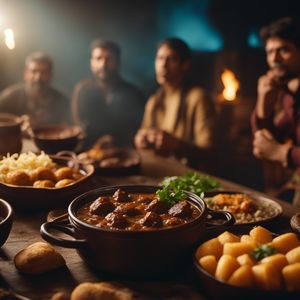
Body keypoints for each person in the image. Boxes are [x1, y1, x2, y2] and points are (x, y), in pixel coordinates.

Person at [134, 37, 216, 169]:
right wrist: (141, 140)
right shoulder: (154, 101)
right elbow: (144, 134)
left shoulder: (198, 98)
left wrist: (177, 145)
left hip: (189, 175)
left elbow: (210, 153)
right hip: (160, 170)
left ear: (184, 65)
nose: (163, 65)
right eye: (159, 58)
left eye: (171, 59)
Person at [251, 17, 300, 202]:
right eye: (269, 52)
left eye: (283, 50)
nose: (274, 59)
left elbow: (273, 148)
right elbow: (264, 144)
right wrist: (263, 104)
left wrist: (281, 153)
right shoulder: (290, 94)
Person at [72, 39, 145, 148]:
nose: (103, 64)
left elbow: (138, 130)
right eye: (98, 58)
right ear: (91, 62)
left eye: (109, 58)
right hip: (88, 154)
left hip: (125, 154)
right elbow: (78, 126)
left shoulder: (133, 93)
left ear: (118, 62)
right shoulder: (82, 91)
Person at [0, 51, 70, 127]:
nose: (38, 77)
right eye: (34, 71)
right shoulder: (10, 97)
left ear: (51, 75)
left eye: (44, 72)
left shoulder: (62, 101)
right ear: (25, 74)